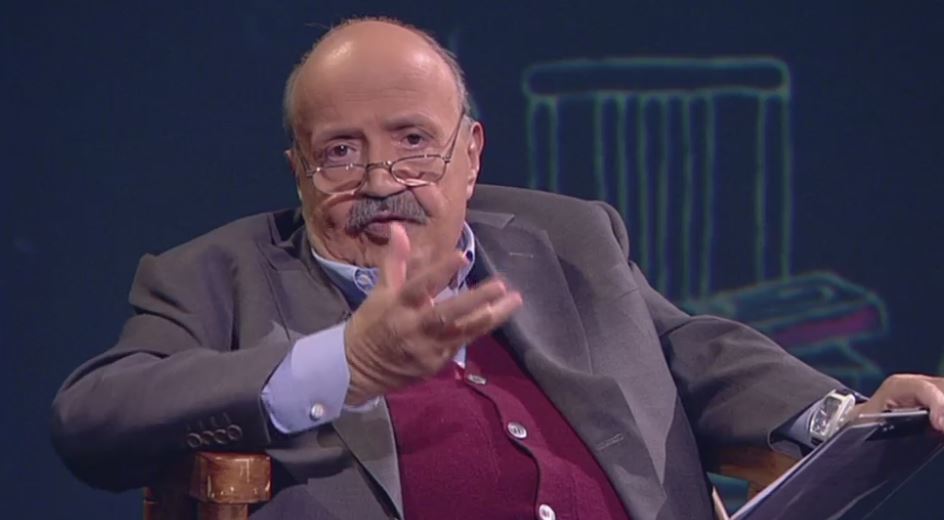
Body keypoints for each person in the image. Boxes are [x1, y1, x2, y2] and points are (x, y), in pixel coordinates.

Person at [51, 17, 944, 520]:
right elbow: (92, 419)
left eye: (413, 142)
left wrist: (848, 417)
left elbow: (688, 349)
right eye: (340, 152)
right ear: (298, 169)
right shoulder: (218, 275)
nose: (380, 181)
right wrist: (342, 366)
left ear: (471, 153)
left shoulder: (567, 237)